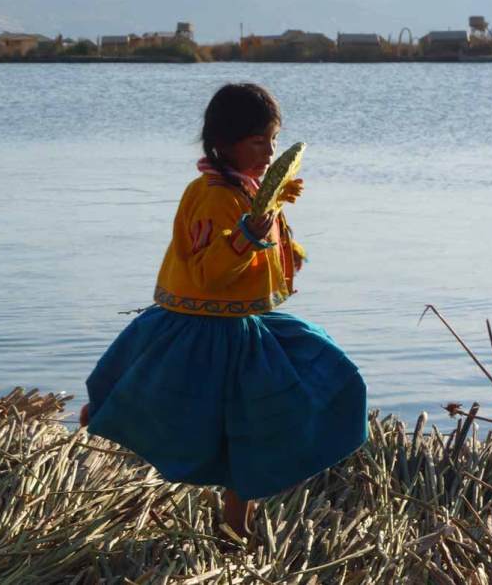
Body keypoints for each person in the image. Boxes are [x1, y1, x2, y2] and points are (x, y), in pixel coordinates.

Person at [80, 82, 367, 540]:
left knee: (319, 378)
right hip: (208, 331)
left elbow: (266, 259)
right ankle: (234, 523)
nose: (269, 151)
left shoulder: (247, 190)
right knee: (226, 425)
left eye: (273, 140)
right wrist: (250, 232)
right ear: (225, 142)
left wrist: (278, 234)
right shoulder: (215, 196)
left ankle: (237, 524)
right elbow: (211, 273)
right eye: (258, 141)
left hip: (243, 323)